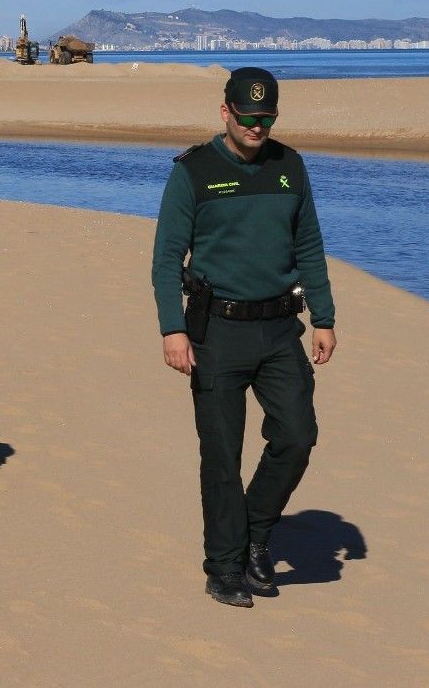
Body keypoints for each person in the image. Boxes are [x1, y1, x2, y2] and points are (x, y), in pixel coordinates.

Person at [151, 67, 338, 608]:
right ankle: (225, 566)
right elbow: (167, 258)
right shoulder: (193, 171)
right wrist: (173, 328)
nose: (258, 127)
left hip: (280, 329)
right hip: (217, 333)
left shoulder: (290, 166)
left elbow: (309, 245)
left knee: (297, 436)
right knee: (222, 455)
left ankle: (255, 533)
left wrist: (324, 317)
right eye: (249, 117)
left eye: (267, 118)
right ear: (225, 112)